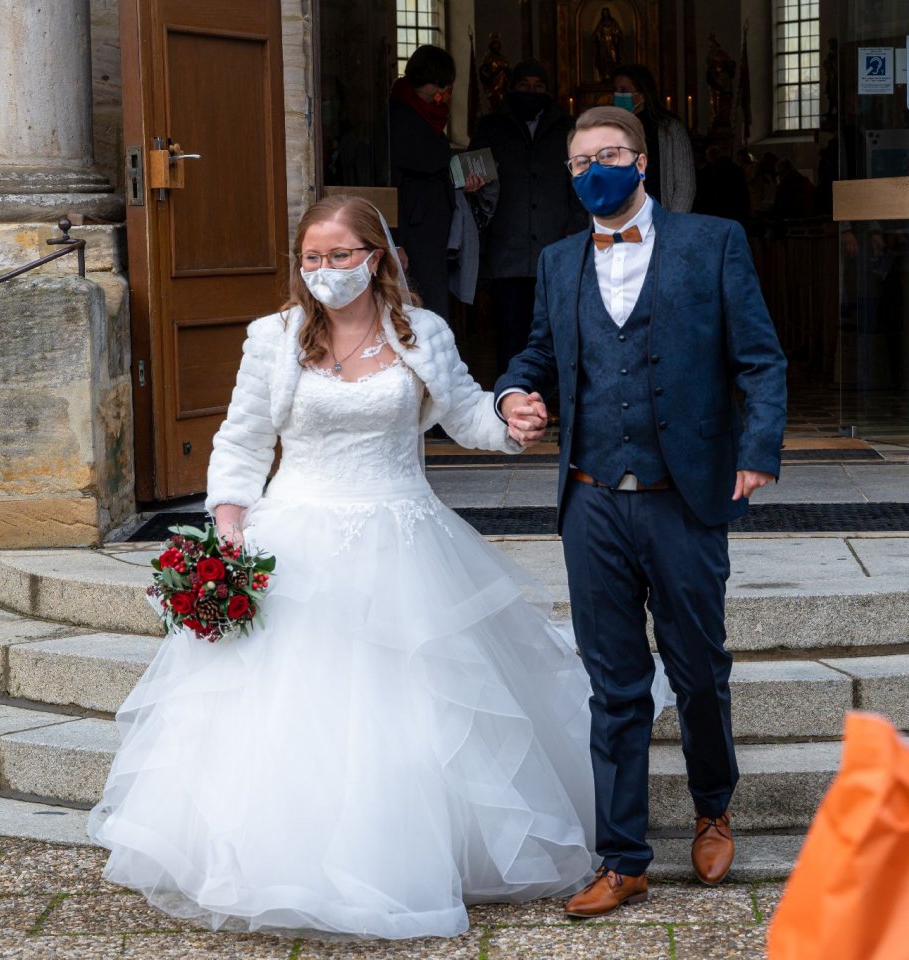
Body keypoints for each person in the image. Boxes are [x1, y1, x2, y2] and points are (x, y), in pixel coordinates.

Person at [88, 195, 600, 939]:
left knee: (417, 711)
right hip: (296, 541)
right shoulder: (273, 338)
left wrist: (512, 422)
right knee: (291, 716)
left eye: (339, 255)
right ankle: (284, 865)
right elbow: (241, 438)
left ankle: (414, 859)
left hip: (405, 540)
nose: (324, 270)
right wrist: (228, 524)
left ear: (375, 257)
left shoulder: (422, 332)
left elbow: (466, 414)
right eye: (311, 257)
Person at [495, 106, 787, 917]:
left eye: (611, 154)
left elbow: (759, 359)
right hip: (591, 502)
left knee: (698, 670)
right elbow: (539, 352)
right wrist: (514, 392)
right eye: (581, 161)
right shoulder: (557, 260)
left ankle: (712, 808)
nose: (597, 170)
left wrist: (758, 450)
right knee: (613, 685)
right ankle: (622, 857)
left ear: (642, 161)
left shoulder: (713, 242)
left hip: (682, 500)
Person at [468, 59, 585, 376]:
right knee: (510, 332)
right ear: (512, 88)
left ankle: (551, 395)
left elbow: (580, 183)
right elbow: (471, 179)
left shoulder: (567, 128)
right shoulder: (491, 127)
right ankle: (513, 393)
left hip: (555, 246)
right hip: (508, 249)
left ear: (547, 90)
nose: (531, 92)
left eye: (538, 86)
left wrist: (575, 227)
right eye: (524, 85)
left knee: (555, 331)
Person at [389, 44, 482, 317]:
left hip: (432, 226)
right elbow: (393, 182)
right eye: (436, 84)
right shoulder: (397, 116)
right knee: (422, 301)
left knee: (433, 297)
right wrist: (396, 242)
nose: (440, 93)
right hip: (414, 229)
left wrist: (461, 181)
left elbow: (434, 165)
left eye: (445, 85)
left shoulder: (426, 114)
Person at [611, 64, 695, 213]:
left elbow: (685, 185)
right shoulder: (611, 130)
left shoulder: (670, 130)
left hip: (659, 215)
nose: (618, 96)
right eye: (616, 90)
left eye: (624, 91)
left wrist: (672, 222)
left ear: (642, 94)